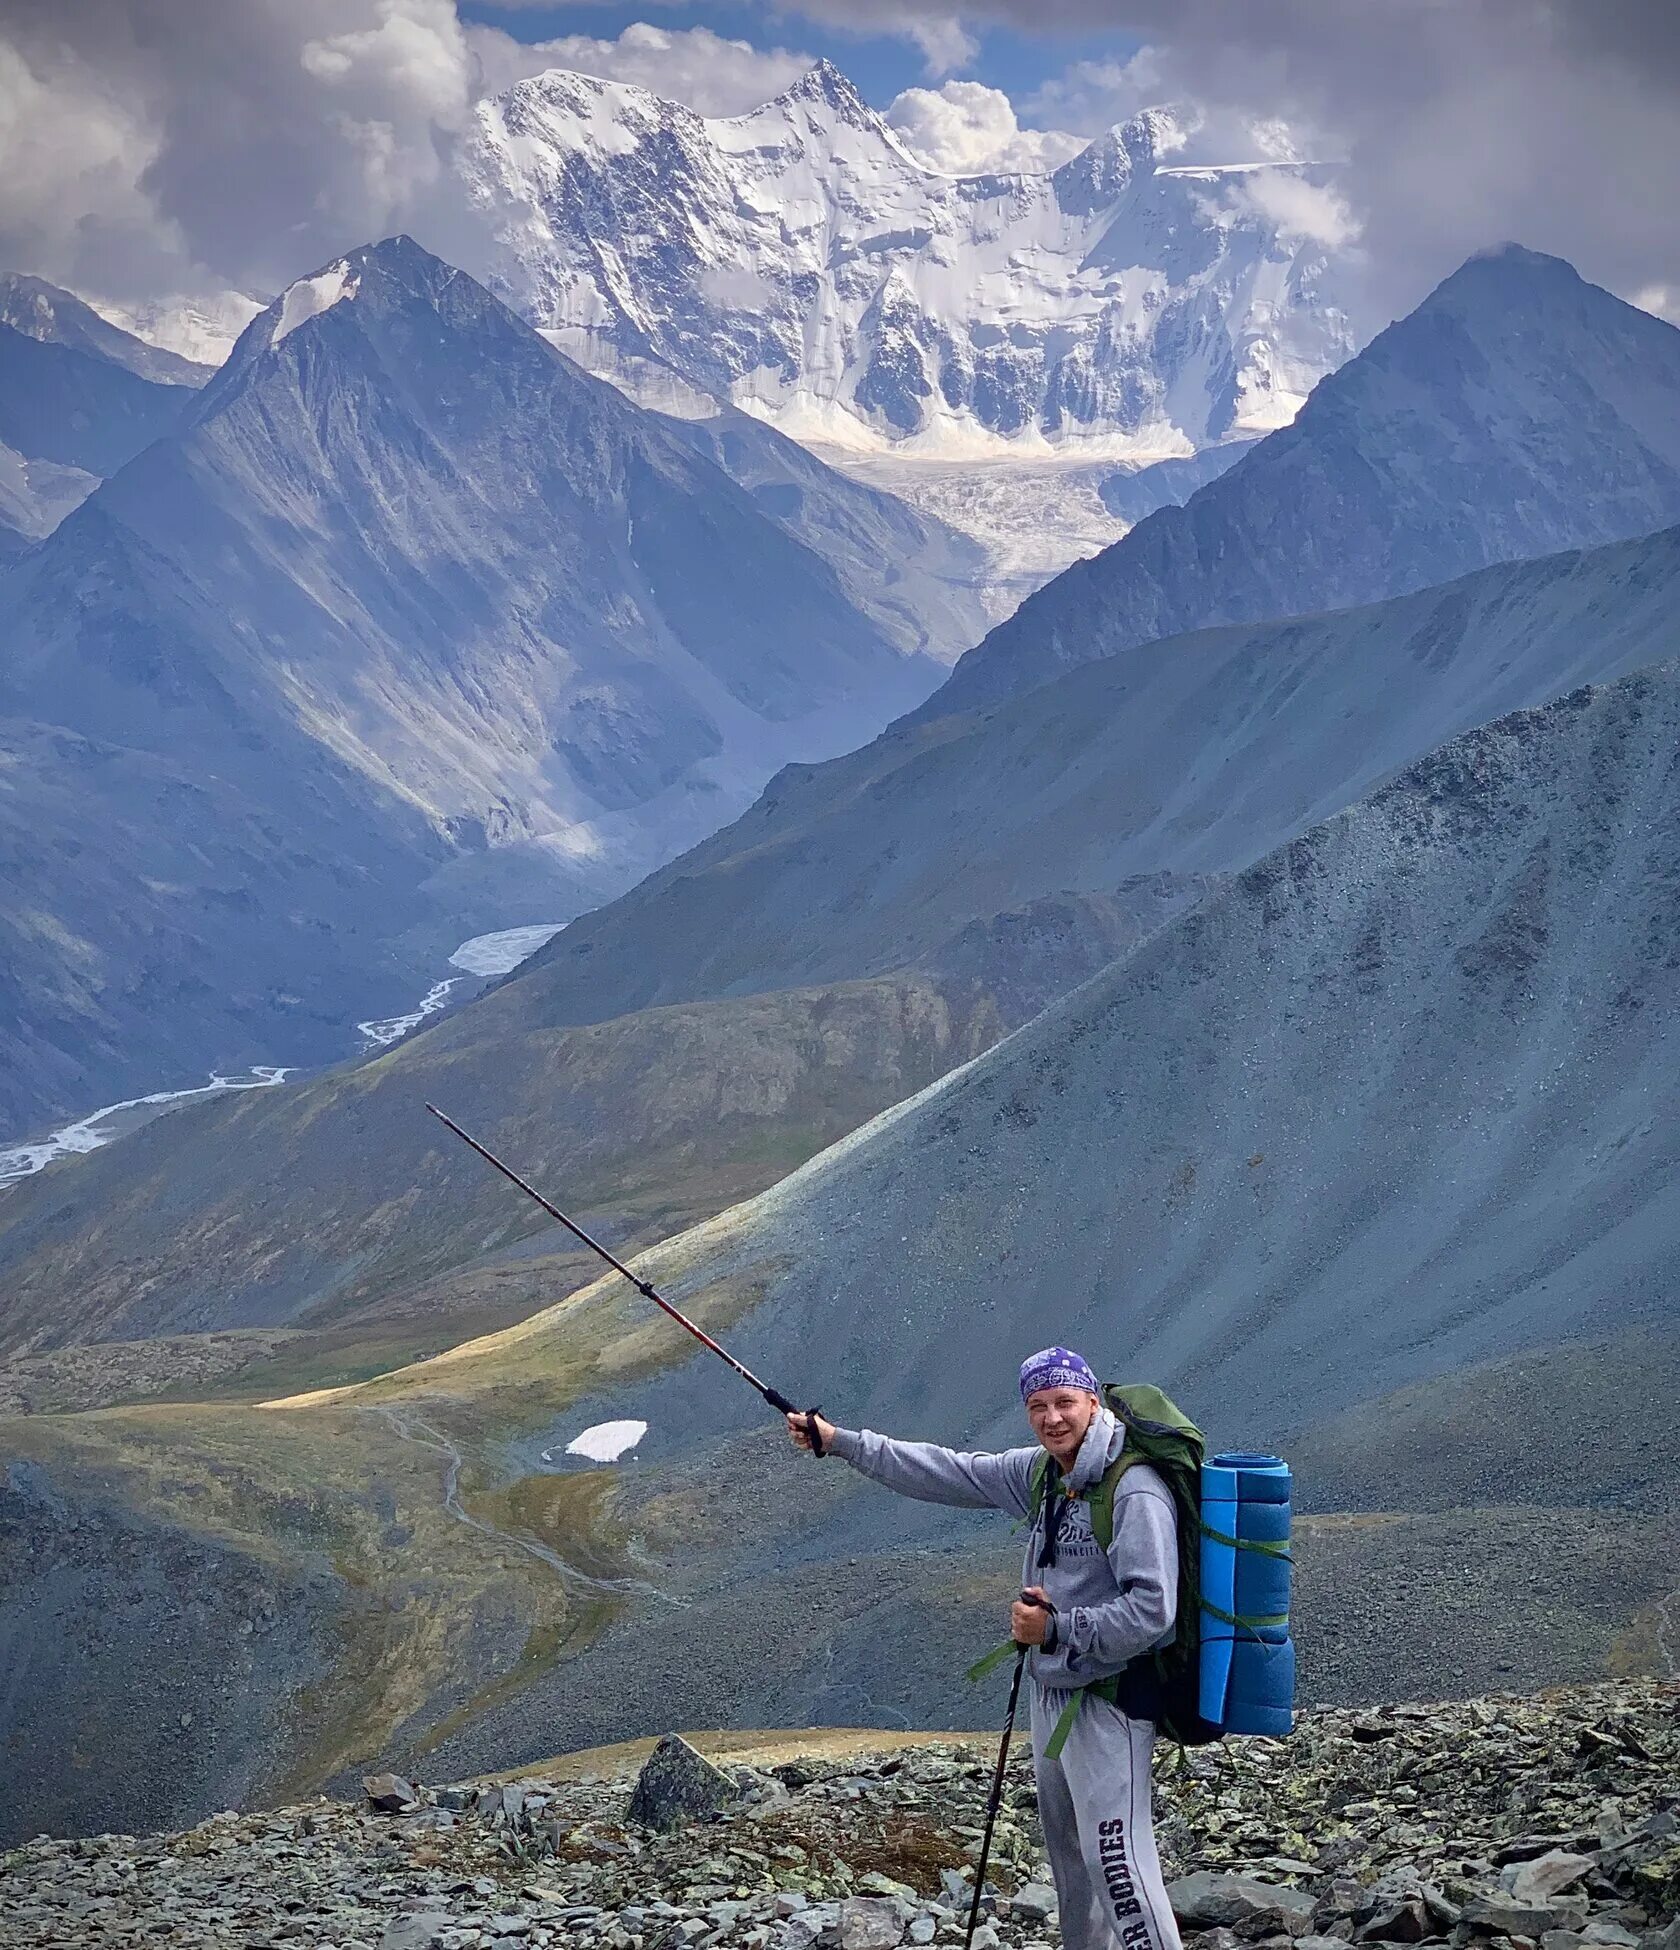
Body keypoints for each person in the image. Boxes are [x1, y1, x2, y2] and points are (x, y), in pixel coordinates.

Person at [787, 1347, 1182, 1950]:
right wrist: (840, 1441)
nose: (1053, 1418)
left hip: (1110, 1701)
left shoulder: (1134, 1491)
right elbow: (945, 1470)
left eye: (1065, 1402)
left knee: (1119, 1868)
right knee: (1074, 1867)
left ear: (1093, 1401)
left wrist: (1056, 1629)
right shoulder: (1042, 1475)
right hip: (1054, 1695)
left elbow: (1153, 1611)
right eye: (1038, 1406)